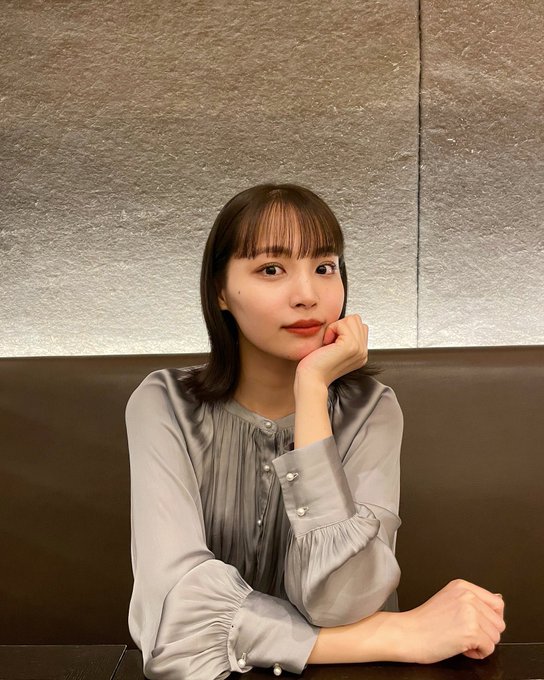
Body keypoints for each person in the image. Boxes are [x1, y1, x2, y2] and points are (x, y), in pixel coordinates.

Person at [125, 182, 506, 679]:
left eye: (325, 267)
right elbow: (175, 626)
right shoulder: (165, 404)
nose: (308, 296)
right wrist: (395, 634)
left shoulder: (371, 410)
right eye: (271, 269)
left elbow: (340, 601)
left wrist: (311, 391)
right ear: (220, 291)